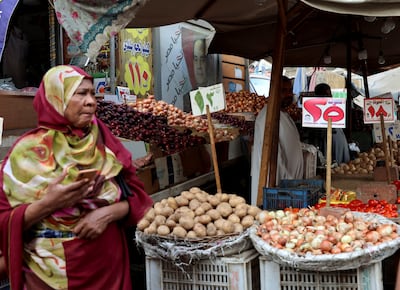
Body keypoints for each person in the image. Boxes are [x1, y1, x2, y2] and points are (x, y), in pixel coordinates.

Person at [0, 65, 153, 289]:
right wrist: (49, 204)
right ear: (56, 96)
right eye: (80, 93)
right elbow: (4, 220)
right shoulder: (26, 153)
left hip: (108, 268)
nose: (92, 101)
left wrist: (106, 214)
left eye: (92, 93)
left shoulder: (101, 138)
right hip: (49, 275)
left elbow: (136, 197)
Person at [251, 76, 304, 205]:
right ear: (273, 92)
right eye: (284, 91)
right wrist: (286, 182)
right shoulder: (267, 118)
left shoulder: (282, 114)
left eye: (290, 90)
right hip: (275, 187)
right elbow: (272, 156)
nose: (289, 94)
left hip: (288, 187)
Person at [313, 83, 350, 164]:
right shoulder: (314, 108)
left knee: (340, 164)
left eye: (330, 94)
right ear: (318, 95)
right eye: (326, 94)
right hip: (326, 140)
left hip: (337, 137)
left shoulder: (334, 105)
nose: (329, 96)